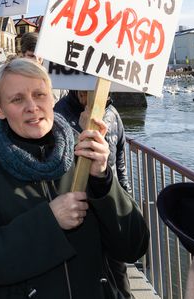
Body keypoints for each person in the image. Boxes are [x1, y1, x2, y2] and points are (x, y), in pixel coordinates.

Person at [0, 58, 149, 298]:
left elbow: (134, 246)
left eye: (39, 94)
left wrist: (103, 180)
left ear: (52, 98)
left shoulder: (84, 152)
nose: (32, 106)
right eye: (17, 99)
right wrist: (49, 220)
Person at [54, 89, 132, 297]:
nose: (86, 92)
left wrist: (125, 198)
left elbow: (120, 162)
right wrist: (81, 132)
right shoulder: (59, 113)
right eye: (82, 88)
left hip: (108, 203)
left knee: (119, 276)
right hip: (79, 213)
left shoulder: (113, 115)